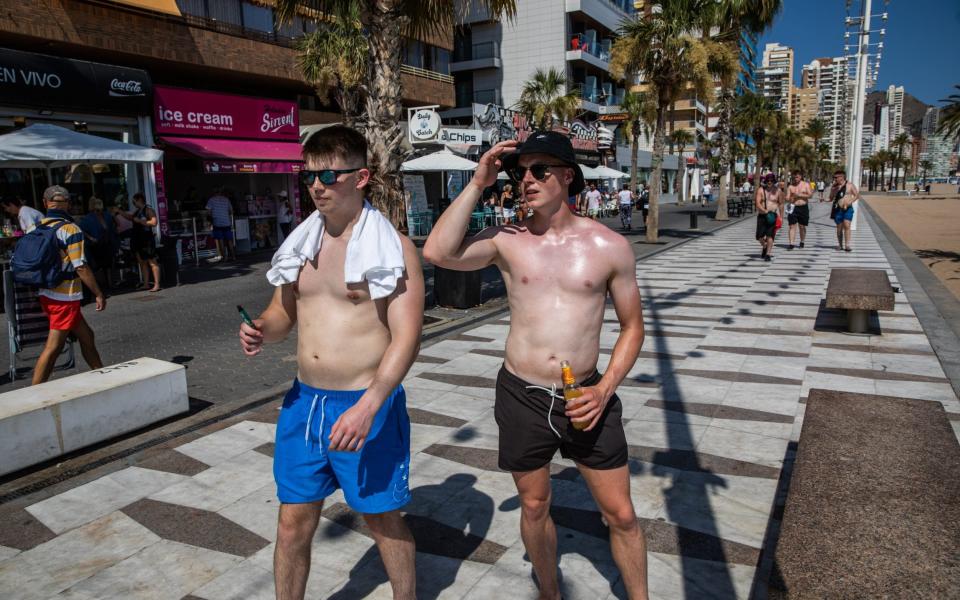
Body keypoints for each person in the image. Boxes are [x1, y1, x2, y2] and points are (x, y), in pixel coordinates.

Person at [423, 131, 649, 600]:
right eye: (520, 171)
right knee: (534, 504)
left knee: (621, 514)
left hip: (587, 395)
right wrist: (478, 182)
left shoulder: (608, 246)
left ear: (568, 176)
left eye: (539, 170)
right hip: (522, 394)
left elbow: (632, 327)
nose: (527, 179)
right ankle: (550, 591)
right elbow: (438, 253)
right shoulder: (507, 241)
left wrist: (604, 389)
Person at [238, 125, 423, 600]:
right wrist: (261, 326)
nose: (317, 186)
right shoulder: (300, 245)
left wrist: (370, 405)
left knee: (382, 518)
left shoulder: (393, 249)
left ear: (360, 177)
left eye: (329, 175)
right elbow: (284, 313)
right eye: (309, 177)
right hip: (304, 403)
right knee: (292, 521)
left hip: (366, 402)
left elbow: (407, 336)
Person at [31, 186, 105, 385]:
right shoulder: (70, 229)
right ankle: (34, 393)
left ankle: (102, 377)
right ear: (69, 205)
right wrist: (98, 293)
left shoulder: (38, 227)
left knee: (87, 335)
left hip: (46, 292)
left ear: (45, 203)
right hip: (65, 295)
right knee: (53, 347)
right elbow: (80, 266)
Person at [118, 193, 161, 292]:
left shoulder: (148, 210)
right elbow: (130, 218)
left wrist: (141, 222)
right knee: (142, 262)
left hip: (147, 240)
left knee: (152, 262)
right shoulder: (137, 211)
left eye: (134, 201)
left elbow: (154, 222)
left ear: (139, 200)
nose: (133, 203)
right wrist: (120, 211)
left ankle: (157, 284)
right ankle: (146, 284)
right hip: (138, 240)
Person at [79, 197, 116, 289]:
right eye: (96, 204)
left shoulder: (106, 215)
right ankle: (99, 285)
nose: (99, 207)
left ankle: (110, 284)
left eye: (100, 204)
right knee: (96, 266)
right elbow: (81, 230)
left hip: (107, 243)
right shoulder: (88, 218)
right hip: (95, 245)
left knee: (108, 265)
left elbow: (112, 227)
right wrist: (91, 238)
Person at [755, 173, 783, 262]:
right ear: (765, 181)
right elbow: (757, 203)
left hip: (772, 216)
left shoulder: (778, 191)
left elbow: (781, 204)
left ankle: (768, 254)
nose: (769, 182)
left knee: (770, 236)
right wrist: (764, 210)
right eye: (768, 180)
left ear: (774, 181)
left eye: (771, 180)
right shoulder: (761, 190)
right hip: (762, 215)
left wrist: (781, 217)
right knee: (759, 236)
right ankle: (764, 246)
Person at [831, 170, 860, 252]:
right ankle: (840, 245)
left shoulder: (850, 185)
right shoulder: (834, 187)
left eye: (836, 177)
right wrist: (823, 199)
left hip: (848, 209)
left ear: (842, 177)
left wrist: (849, 202)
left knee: (847, 225)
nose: (835, 179)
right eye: (834, 177)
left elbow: (857, 195)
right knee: (839, 228)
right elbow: (830, 198)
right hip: (838, 209)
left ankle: (847, 245)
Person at [206, 187, 235, 261]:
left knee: (220, 240)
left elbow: (208, 212)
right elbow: (231, 211)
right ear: (221, 192)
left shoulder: (211, 200)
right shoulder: (226, 199)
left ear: (214, 192)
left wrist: (210, 219)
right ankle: (233, 256)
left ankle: (224, 257)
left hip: (217, 222)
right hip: (226, 222)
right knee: (229, 240)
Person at [786, 170, 812, 250]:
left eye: (797, 177)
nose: (795, 178)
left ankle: (802, 241)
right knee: (791, 225)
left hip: (803, 207)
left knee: (802, 226)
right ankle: (791, 244)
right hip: (792, 206)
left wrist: (799, 195)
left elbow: (810, 195)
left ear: (800, 177)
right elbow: (787, 197)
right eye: (794, 177)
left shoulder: (806, 185)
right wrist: (789, 198)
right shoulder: (790, 186)